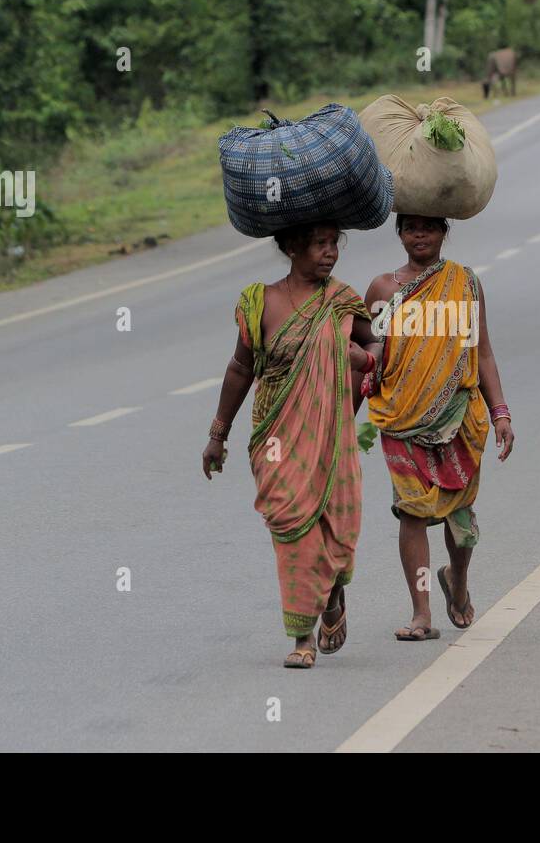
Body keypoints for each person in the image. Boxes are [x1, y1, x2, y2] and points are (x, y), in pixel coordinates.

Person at [202, 222, 376, 669]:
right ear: (291, 247)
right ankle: (302, 635)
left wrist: (364, 358)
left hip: (332, 434)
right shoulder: (261, 302)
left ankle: (334, 594)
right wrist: (217, 435)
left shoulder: (341, 300)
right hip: (276, 436)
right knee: (292, 524)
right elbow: (240, 369)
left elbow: (373, 346)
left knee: (335, 530)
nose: (330, 253)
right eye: (320, 244)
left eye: (334, 243)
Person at [363, 214, 514, 641]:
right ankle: (421, 612)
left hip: (459, 420)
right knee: (411, 513)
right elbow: (369, 351)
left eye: (429, 227)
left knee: (461, 527)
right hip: (401, 419)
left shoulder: (464, 282)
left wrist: (500, 412)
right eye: (411, 227)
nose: (420, 235)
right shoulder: (382, 289)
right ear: (399, 234)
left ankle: (458, 581)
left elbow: (481, 352)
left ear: (445, 232)